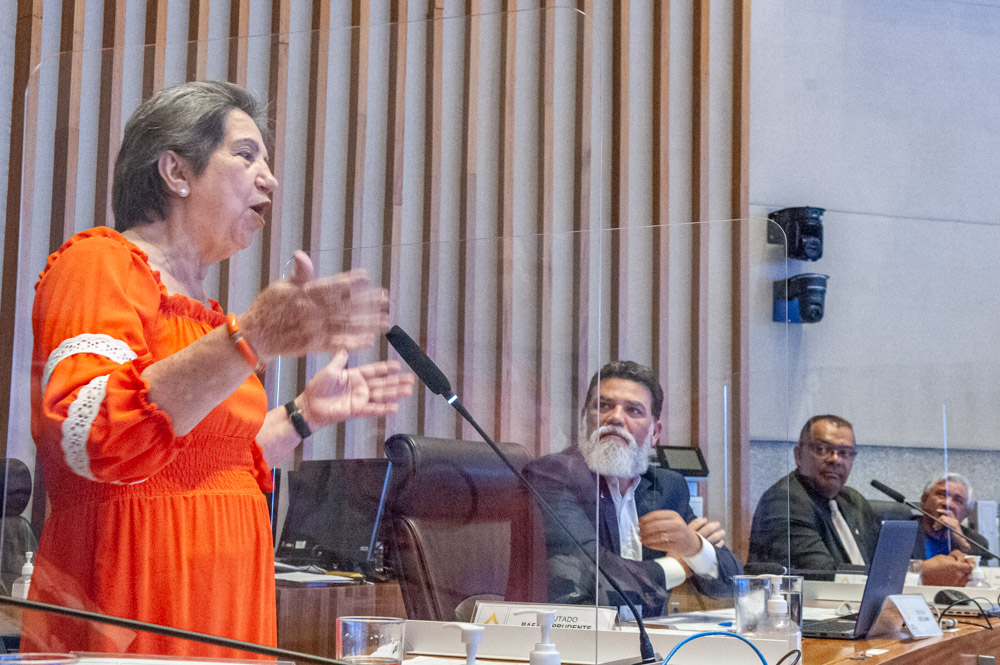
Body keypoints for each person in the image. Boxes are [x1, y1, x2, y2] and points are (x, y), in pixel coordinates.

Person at [25, 81, 414, 657]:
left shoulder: (208, 318)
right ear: (176, 172)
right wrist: (250, 339)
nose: (271, 179)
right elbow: (91, 431)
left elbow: (207, 455)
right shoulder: (98, 264)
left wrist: (304, 414)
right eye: (246, 154)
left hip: (224, 606)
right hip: (131, 610)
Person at [522, 361, 741, 617]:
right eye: (603, 406)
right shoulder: (553, 475)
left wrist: (694, 547)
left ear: (655, 433)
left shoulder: (667, 487)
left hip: (648, 643)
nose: (615, 417)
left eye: (633, 410)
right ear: (585, 419)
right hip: (577, 641)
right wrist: (679, 567)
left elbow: (732, 580)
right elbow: (590, 571)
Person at [748, 415, 880, 576]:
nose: (835, 460)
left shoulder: (853, 501)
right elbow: (821, 575)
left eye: (845, 452)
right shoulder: (784, 501)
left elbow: (884, 564)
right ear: (799, 456)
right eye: (822, 449)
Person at [911, 473, 989, 586]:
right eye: (941, 495)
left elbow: (980, 584)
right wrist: (923, 570)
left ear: (966, 513)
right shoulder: (900, 534)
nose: (947, 504)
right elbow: (889, 575)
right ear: (924, 500)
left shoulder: (976, 542)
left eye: (958, 500)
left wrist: (961, 542)